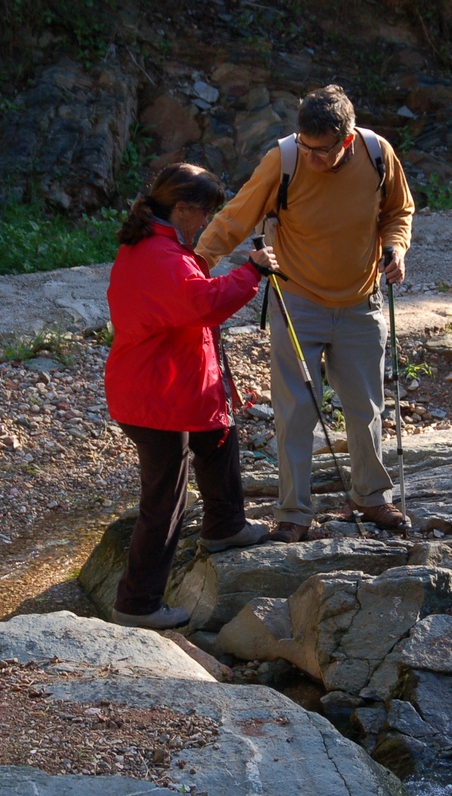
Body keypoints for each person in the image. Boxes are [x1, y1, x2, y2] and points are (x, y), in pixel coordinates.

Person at [195, 84, 416, 543]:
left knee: (366, 408)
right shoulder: (285, 159)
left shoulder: (378, 154)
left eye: (323, 151)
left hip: (361, 303)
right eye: (306, 147)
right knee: (295, 413)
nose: (312, 158)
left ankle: (372, 497)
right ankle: (293, 512)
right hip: (296, 302)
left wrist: (396, 248)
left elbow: (398, 211)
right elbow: (235, 218)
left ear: (347, 140)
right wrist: (195, 267)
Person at [105, 162, 279, 630]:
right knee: (164, 500)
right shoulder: (162, 256)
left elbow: (192, 301)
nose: (206, 222)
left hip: (163, 386)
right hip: (155, 396)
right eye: (204, 212)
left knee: (218, 437)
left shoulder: (150, 246)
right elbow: (205, 303)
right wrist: (252, 271)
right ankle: (137, 604)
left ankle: (225, 526)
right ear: (181, 208)